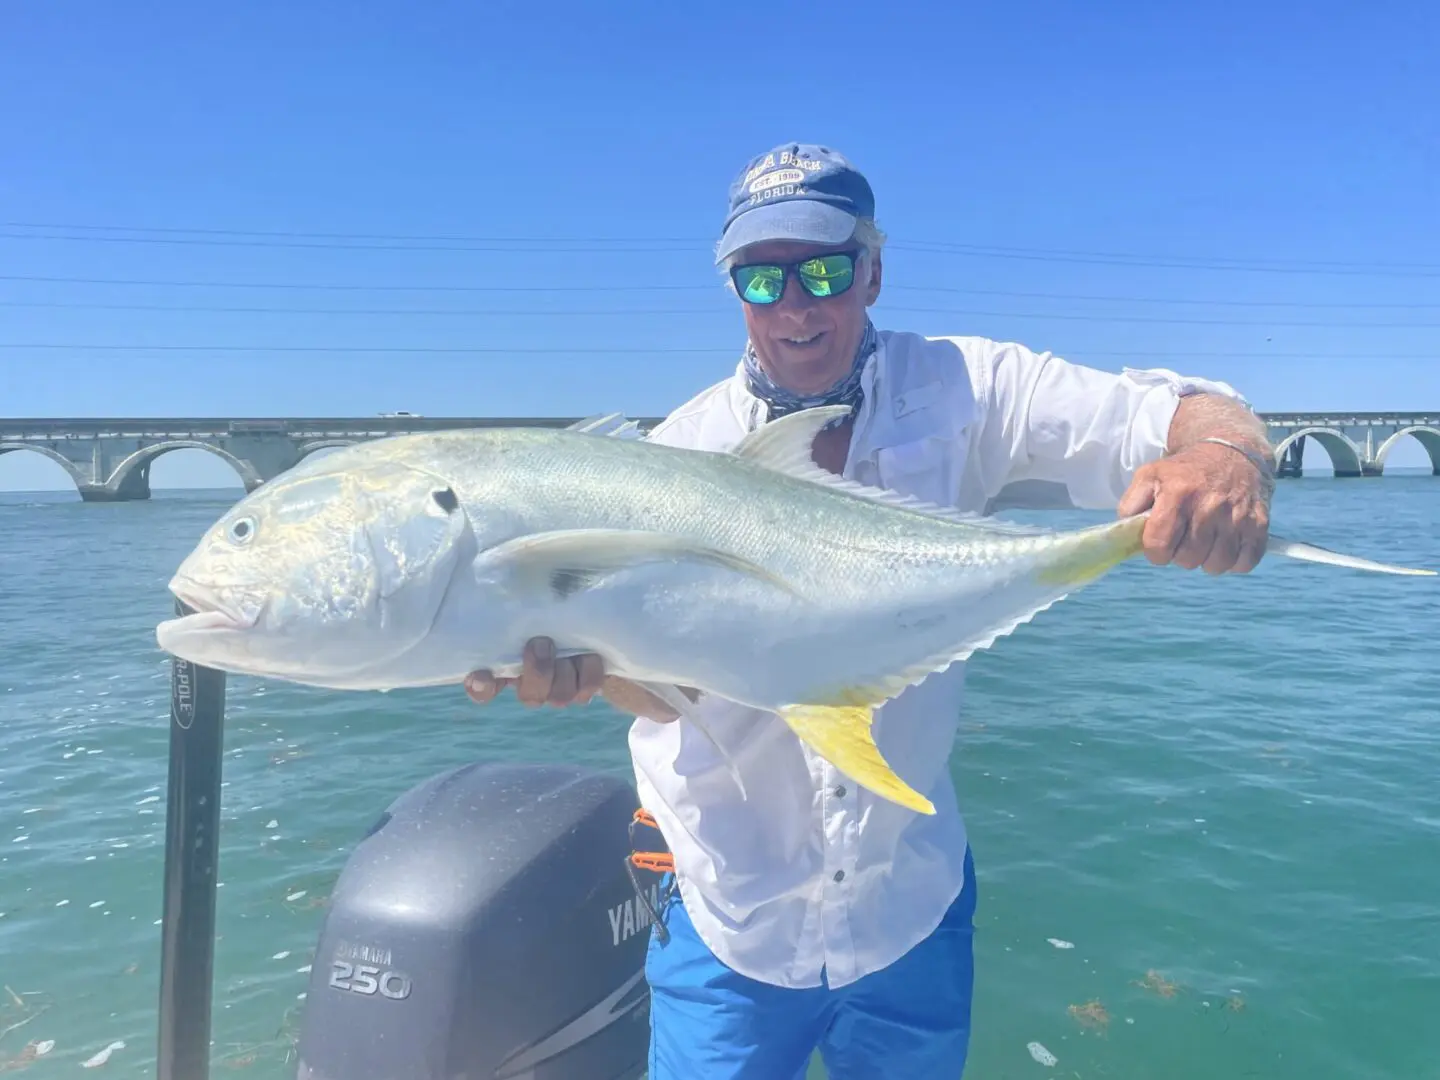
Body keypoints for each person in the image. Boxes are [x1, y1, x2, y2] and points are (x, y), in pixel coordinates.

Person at [464, 142, 1276, 1079]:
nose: (797, 305)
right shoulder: (675, 458)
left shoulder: (971, 391)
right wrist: (597, 670)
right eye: (763, 279)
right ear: (735, 291)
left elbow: (1189, 410)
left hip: (910, 907)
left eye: (824, 269)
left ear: (874, 271)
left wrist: (1224, 458)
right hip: (731, 919)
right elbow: (669, 691)